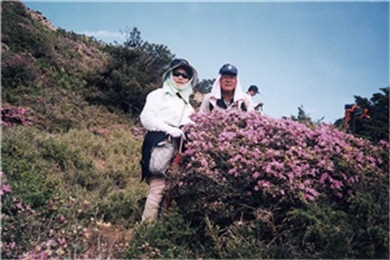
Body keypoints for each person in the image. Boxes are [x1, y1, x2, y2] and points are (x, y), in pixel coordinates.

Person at [140, 58, 198, 222]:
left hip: (179, 147)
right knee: (157, 186)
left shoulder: (186, 104)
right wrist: (169, 129)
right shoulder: (157, 95)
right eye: (176, 73)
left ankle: (163, 228)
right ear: (169, 74)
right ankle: (147, 228)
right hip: (160, 142)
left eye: (185, 75)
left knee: (172, 189)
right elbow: (147, 118)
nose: (181, 78)